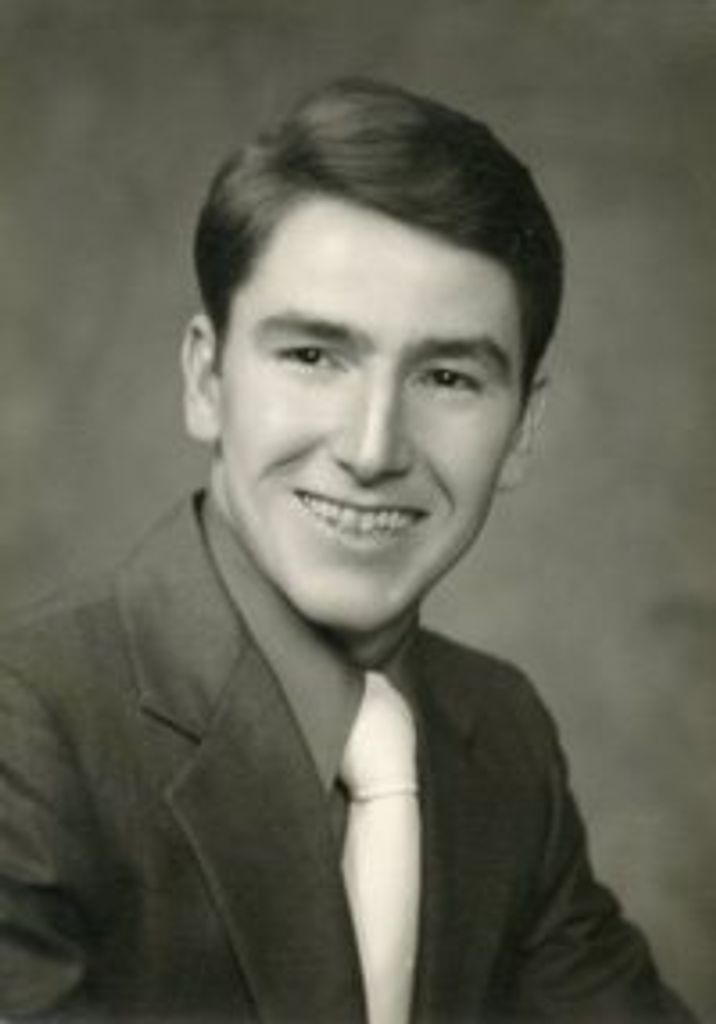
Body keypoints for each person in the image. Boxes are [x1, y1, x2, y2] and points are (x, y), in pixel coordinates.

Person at [0, 78, 697, 1023]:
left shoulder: (501, 734)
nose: (373, 450)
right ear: (207, 380)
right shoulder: (26, 731)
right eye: (313, 356)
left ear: (523, 432)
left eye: (447, 377)